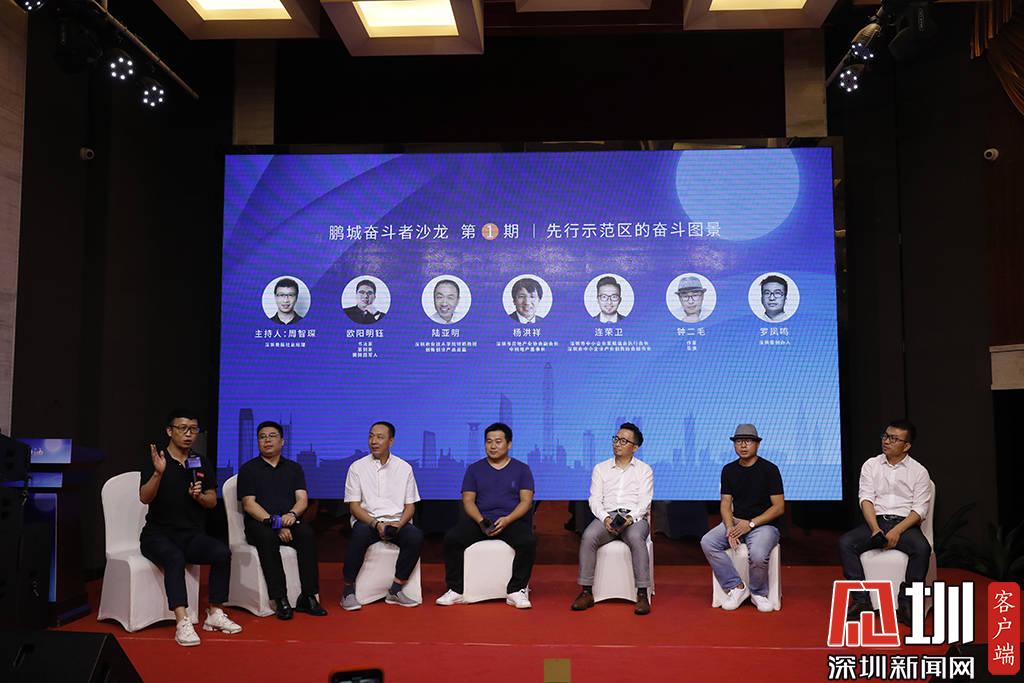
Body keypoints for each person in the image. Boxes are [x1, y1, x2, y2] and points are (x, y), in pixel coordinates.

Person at [139, 410, 242, 647]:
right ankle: (182, 622)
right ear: (170, 431)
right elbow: (144, 497)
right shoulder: (157, 459)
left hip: (190, 535)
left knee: (221, 553)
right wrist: (158, 473)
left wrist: (199, 497)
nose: (188, 434)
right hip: (157, 536)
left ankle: (215, 612)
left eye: (193, 429)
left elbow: (212, 501)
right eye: (182, 428)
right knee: (174, 557)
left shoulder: (200, 461)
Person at [839, 420, 931, 626]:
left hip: (905, 524)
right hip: (877, 521)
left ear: (906, 446)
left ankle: (907, 602)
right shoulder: (871, 465)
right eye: (885, 436)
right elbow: (866, 499)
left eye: (894, 439)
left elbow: (919, 510)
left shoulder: (919, 471)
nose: (886, 441)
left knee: (922, 549)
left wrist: (897, 531)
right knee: (846, 543)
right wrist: (875, 529)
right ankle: (862, 600)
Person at [436, 423, 536, 608]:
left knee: (527, 541)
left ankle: (516, 590)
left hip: (509, 520)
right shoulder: (474, 469)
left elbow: (526, 501)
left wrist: (507, 520)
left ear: (509, 444)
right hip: (481, 520)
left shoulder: (522, 469)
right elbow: (468, 500)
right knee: (452, 539)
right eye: (489, 441)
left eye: (498, 441)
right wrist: (481, 521)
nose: (493, 446)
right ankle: (456, 590)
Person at [237, 420, 327, 620]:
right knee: (267, 538)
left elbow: (302, 499)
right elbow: (249, 504)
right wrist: (276, 524)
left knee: (306, 534)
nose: (267, 440)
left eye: (272, 436)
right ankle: (280, 598)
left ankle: (309, 596)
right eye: (262, 437)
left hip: (288, 520)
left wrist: (292, 515)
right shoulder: (249, 469)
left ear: (282, 441)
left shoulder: (294, 468)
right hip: (260, 524)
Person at [700, 424, 785, 613]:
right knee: (708, 542)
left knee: (757, 554)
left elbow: (779, 507)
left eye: (748, 441)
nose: (743, 445)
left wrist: (752, 524)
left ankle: (758, 593)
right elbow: (725, 503)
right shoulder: (728, 470)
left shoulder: (770, 469)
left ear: (757, 444)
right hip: (737, 521)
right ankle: (737, 586)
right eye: (739, 441)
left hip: (764, 524)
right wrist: (730, 527)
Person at [571, 423, 653, 615]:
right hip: (607, 516)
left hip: (634, 518)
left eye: (624, 441)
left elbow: (645, 502)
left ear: (635, 447)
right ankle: (586, 591)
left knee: (635, 538)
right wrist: (605, 517)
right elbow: (594, 499)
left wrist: (629, 518)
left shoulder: (644, 470)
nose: (617, 444)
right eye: (616, 439)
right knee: (589, 536)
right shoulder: (601, 468)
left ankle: (642, 594)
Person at [342, 422, 424, 610]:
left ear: (391, 441)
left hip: (396, 522)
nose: (374, 441)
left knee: (415, 536)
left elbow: (410, 506)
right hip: (368, 521)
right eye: (371, 436)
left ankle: (396, 588)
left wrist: (399, 525)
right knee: (359, 534)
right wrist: (376, 524)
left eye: (380, 437)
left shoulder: (404, 468)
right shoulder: (357, 467)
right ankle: (348, 590)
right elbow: (354, 506)